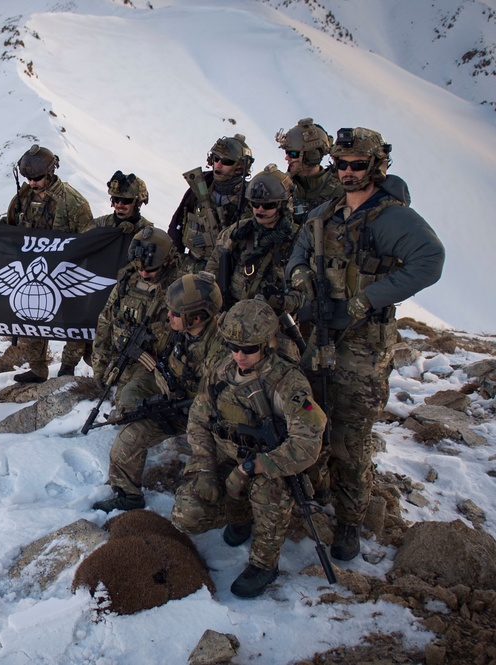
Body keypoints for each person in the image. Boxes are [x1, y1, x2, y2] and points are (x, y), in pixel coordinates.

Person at [286, 127, 445, 561]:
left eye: (358, 165)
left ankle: (350, 523)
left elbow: (430, 261)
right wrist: (302, 283)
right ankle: (315, 493)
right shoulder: (325, 213)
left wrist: (365, 300)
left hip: (363, 346)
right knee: (311, 420)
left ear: (375, 167)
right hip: (319, 336)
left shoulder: (393, 218)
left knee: (351, 441)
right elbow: (298, 256)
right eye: (341, 164)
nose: (349, 172)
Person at [171, 299, 326, 598]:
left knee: (268, 493)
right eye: (233, 346)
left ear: (266, 344)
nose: (240, 356)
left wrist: (255, 467)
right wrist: (204, 468)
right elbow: (199, 420)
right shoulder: (222, 371)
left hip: (269, 467)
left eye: (249, 349)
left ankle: (264, 565)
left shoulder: (287, 382)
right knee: (186, 514)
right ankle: (240, 517)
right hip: (227, 456)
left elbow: (307, 443)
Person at [92, 272, 224, 513]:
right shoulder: (179, 331)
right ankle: (128, 495)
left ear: (196, 318)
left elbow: (213, 405)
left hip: (204, 420)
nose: (169, 316)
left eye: (175, 313)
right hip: (171, 399)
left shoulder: (219, 351)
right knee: (127, 436)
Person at [6, 143, 93, 383]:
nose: (32, 183)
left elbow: (88, 238)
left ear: (51, 173)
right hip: (35, 270)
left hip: (68, 270)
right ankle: (37, 368)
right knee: (33, 314)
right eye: (28, 178)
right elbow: (11, 227)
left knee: (73, 320)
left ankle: (68, 367)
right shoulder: (23, 199)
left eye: (38, 178)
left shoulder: (73, 202)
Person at [206, 164, 305, 359]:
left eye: (268, 205)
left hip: (272, 330)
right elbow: (212, 268)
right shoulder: (237, 232)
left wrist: (280, 301)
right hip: (230, 320)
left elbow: (306, 295)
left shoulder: (298, 241)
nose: (260, 210)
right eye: (254, 203)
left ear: (283, 204)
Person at [60, 171, 154, 377]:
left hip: (125, 295)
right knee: (78, 330)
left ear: (138, 202)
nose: (120, 205)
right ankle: (66, 370)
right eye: (116, 200)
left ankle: (101, 377)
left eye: (126, 201)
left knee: (109, 341)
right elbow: (78, 247)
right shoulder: (100, 225)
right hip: (95, 290)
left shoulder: (147, 231)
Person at [90, 227, 182, 392]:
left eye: (150, 269)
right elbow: (106, 320)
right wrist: (99, 367)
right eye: (140, 268)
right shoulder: (127, 280)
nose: (144, 274)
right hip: (122, 357)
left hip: (155, 366)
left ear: (167, 261)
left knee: (127, 399)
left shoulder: (179, 287)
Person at [167, 134, 253, 273]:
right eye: (216, 158)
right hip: (187, 266)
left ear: (240, 166)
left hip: (222, 272)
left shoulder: (248, 198)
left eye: (226, 161)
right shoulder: (200, 184)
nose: (218, 164)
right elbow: (176, 225)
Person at [275, 118, 344, 223]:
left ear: (312, 156)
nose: (287, 158)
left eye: (292, 154)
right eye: (286, 153)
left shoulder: (338, 192)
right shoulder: (281, 186)